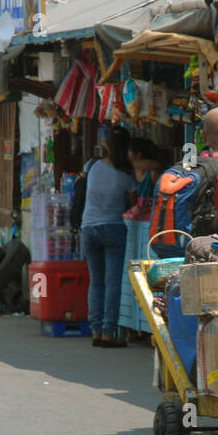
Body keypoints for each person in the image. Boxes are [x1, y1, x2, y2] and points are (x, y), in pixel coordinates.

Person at [82, 127, 133, 348]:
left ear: (107, 145)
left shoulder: (91, 166)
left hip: (89, 228)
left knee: (96, 281)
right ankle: (108, 333)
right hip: (113, 227)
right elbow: (132, 203)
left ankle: (95, 331)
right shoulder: (127, 174)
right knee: (112, 283)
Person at [120, 137, 164, 344]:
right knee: (135, 276)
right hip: (136, 225)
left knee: (147, 275)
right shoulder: (133, 171)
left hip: (149, 225)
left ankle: (145, 325)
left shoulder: (153, 169)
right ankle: (135, 325)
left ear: (137, 154)